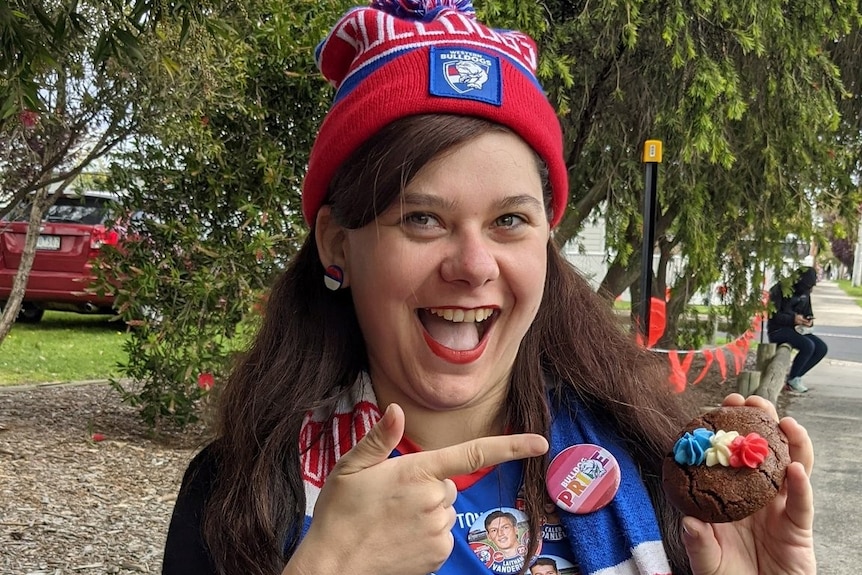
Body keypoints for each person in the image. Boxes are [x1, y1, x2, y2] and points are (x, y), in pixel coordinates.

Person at [161, 1, 816, 574]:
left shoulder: (659, 478)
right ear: (338, 244)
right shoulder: (240, 497)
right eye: (422, 218)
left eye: (509, 220)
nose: (473, 265)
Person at [767, 267, 828, 393]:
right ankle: (792, 379)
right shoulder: (779, 289)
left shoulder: (805, 293)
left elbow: (808, 312)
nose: (806, 290)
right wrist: (793, 319)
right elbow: (773, 315)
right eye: (805, 286)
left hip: (798, 329)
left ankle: (797, 376)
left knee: (821, 348)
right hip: (778, 329)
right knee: (808, 346)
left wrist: (808, 321)